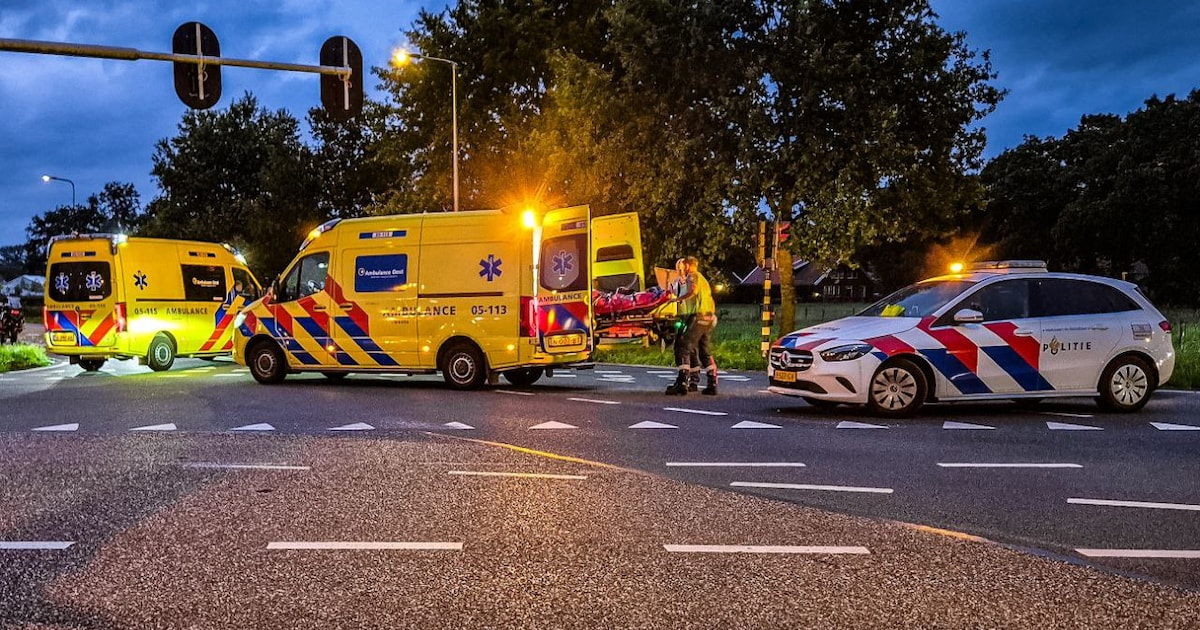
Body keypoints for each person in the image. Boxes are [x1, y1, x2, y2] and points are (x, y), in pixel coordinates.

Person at [665, 256, 718, 396]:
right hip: (709, 317)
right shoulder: (703, 279)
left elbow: (692, 291)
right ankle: (712, 383)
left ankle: (683, 382)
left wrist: (677, 300)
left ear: (687, 265)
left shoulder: (692, 276)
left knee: (682, 346)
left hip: (698, 316)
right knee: (703, 351)